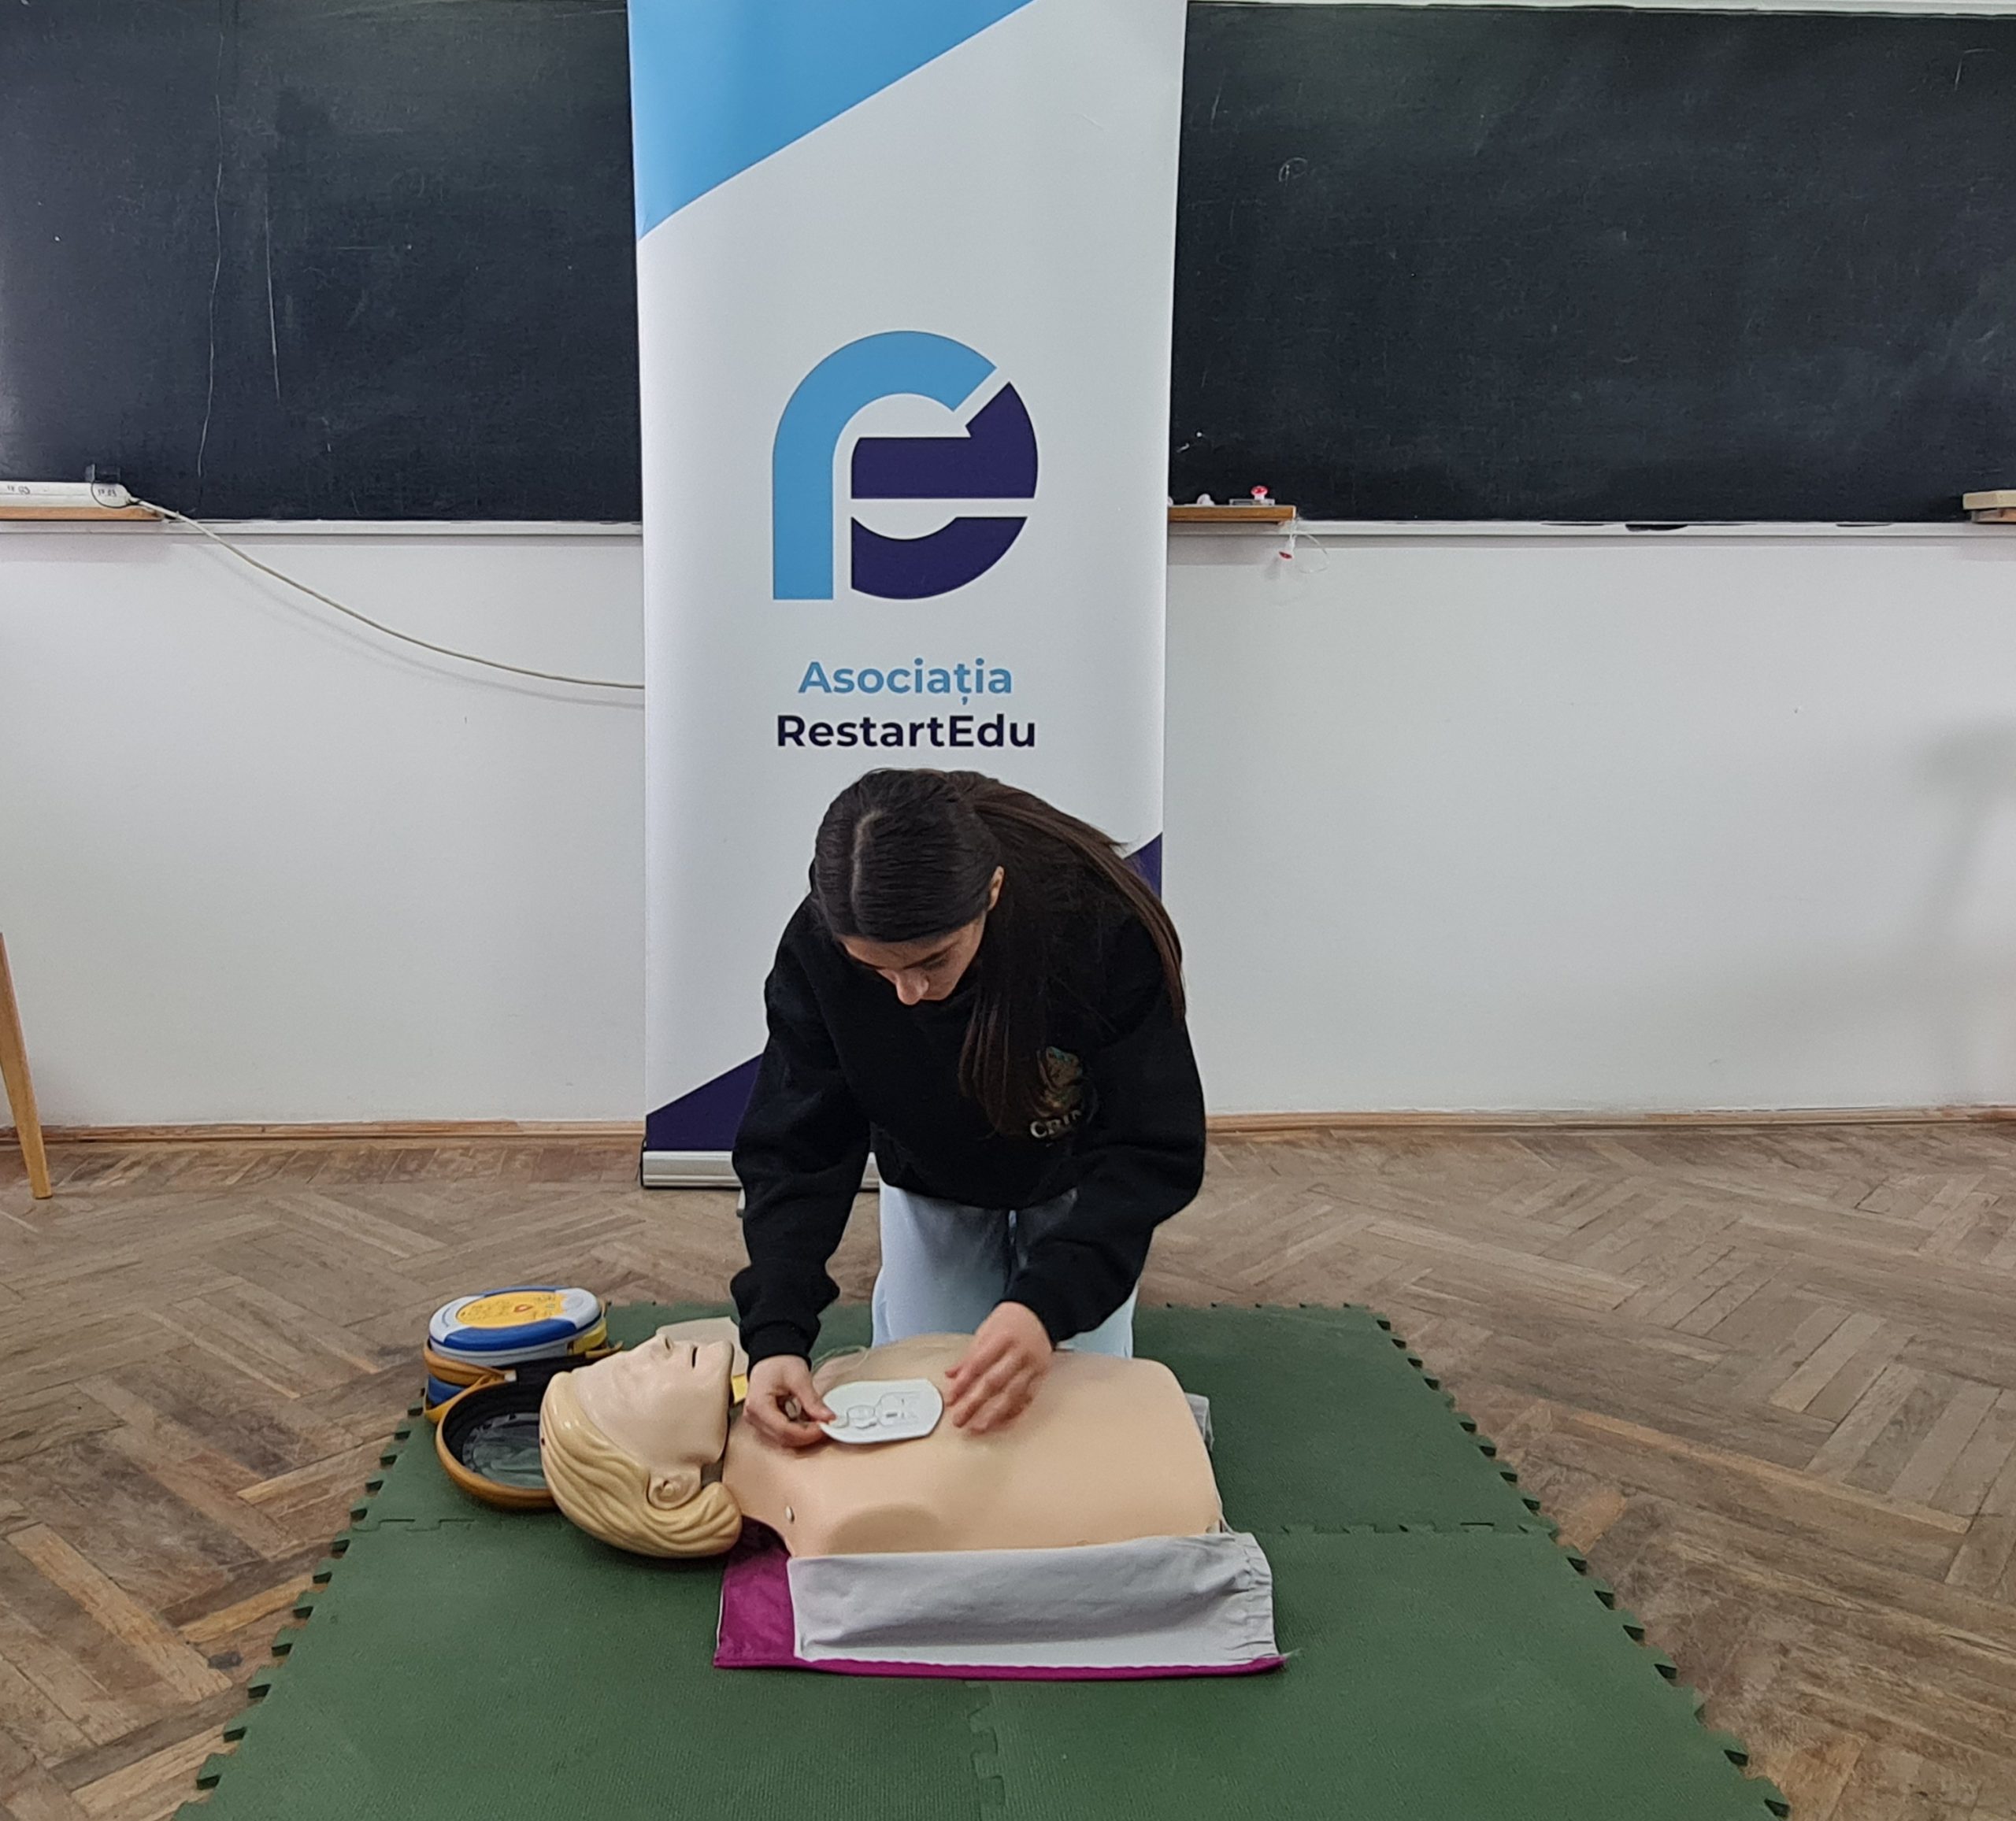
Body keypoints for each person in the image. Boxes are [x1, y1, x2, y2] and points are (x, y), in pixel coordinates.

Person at [731, 768, 1206, 1447]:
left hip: (1074, 1163)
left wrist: (1045, 1305)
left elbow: (1152, 1144)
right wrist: (776, 1333)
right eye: (876, 971)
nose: (907, 992)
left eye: (932, 959)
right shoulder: (820, 945)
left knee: (1074, 1411)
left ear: (993, 891)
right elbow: (796, 1145)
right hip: (931, 1163)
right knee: (932, 1393)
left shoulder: (1098, 926)